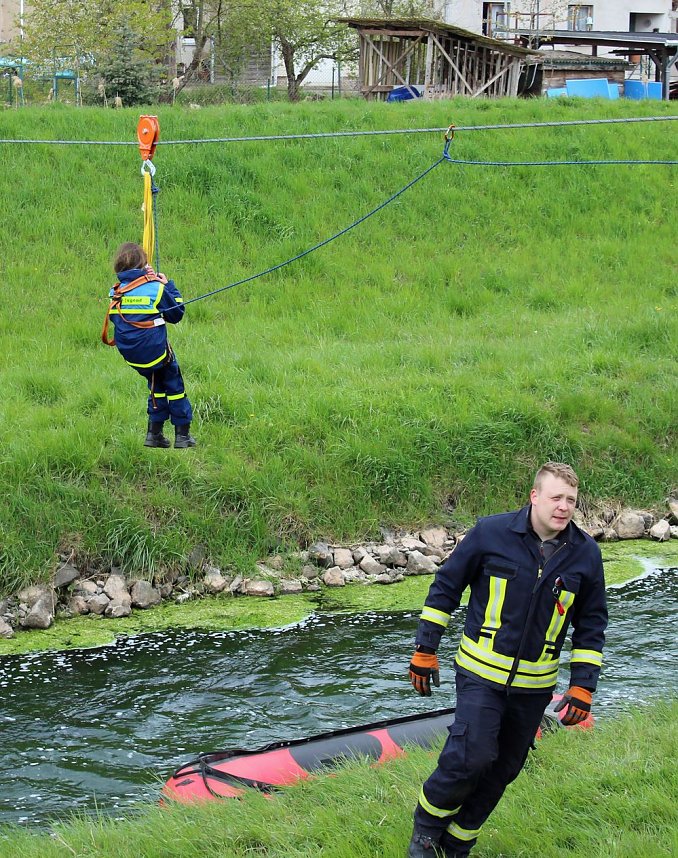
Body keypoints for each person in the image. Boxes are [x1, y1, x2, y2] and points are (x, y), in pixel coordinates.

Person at [407, 462, 607, 857]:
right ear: (534, 497)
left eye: (571, 499)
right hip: (480, 675)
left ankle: (458, 842)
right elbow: (446, 587)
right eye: (555, 497)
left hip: (535, 688)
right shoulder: (490, 533)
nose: (563, 507)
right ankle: (426, 833)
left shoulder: (586, 554)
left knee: (505, 769)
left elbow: (591, 624)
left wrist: (583, 685)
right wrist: (425, 649)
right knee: (473, 755)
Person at [105, 242, 196, 448]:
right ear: (142, 264)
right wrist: (167, 285)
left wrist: (148, 279)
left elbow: (118, 318)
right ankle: (183, 435)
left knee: (156, 384)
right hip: (155, 351)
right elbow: (176, 314)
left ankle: (153, 434)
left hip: (132, 356)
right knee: (175, 386)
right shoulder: (156, 288)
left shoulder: (116, 291)